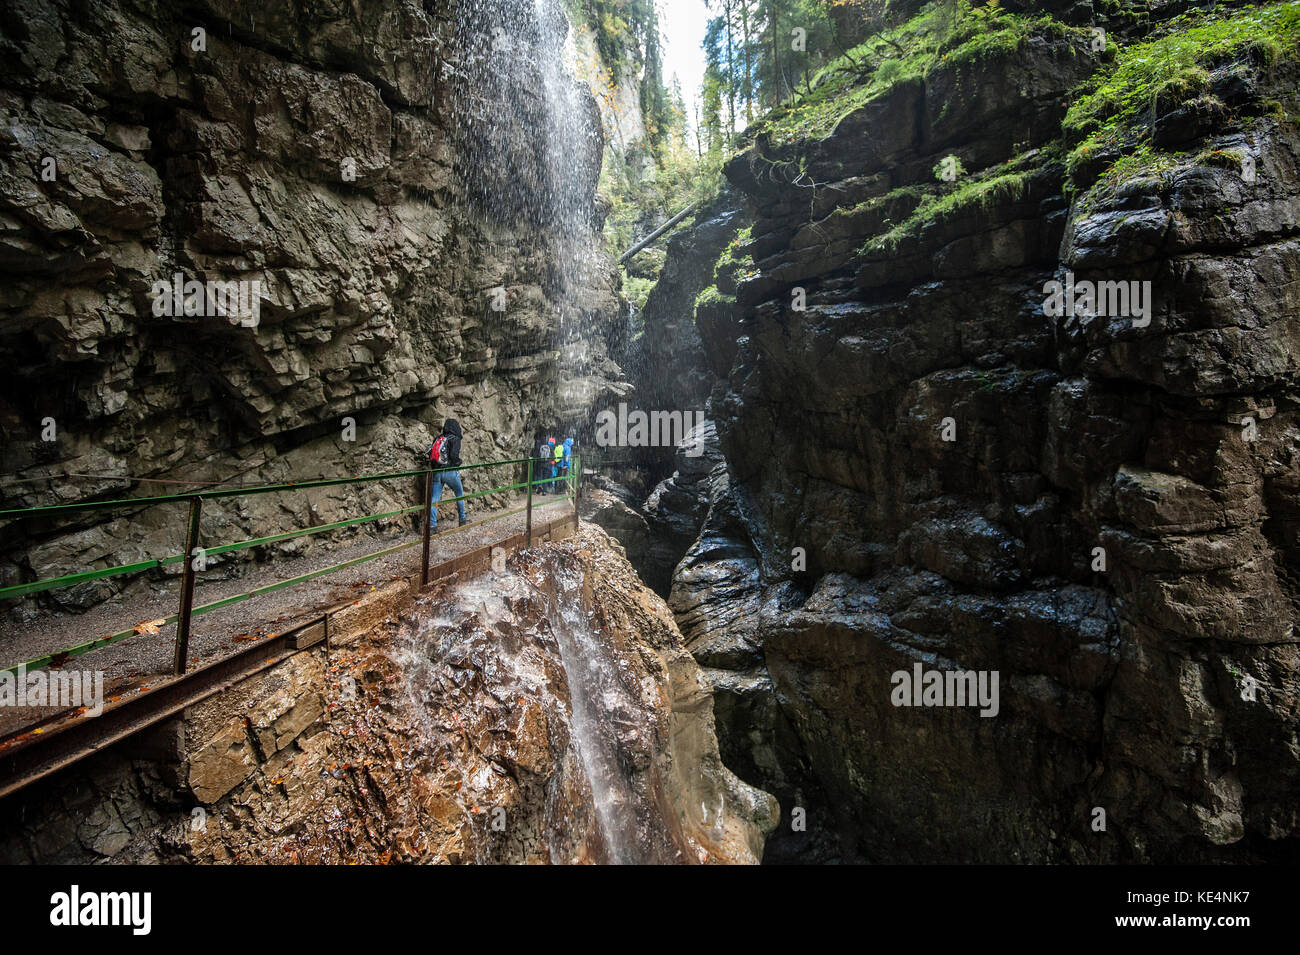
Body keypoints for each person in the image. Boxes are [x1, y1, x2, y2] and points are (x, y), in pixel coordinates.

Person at [428, 418, 470, 534]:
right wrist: (458, 463)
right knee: (459, 494)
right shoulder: (455, 439)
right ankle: (462, 519)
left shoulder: (438, 438)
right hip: (450, 471)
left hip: (436, 472)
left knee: (434, 499)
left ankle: (432, 526)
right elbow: (454, 455)